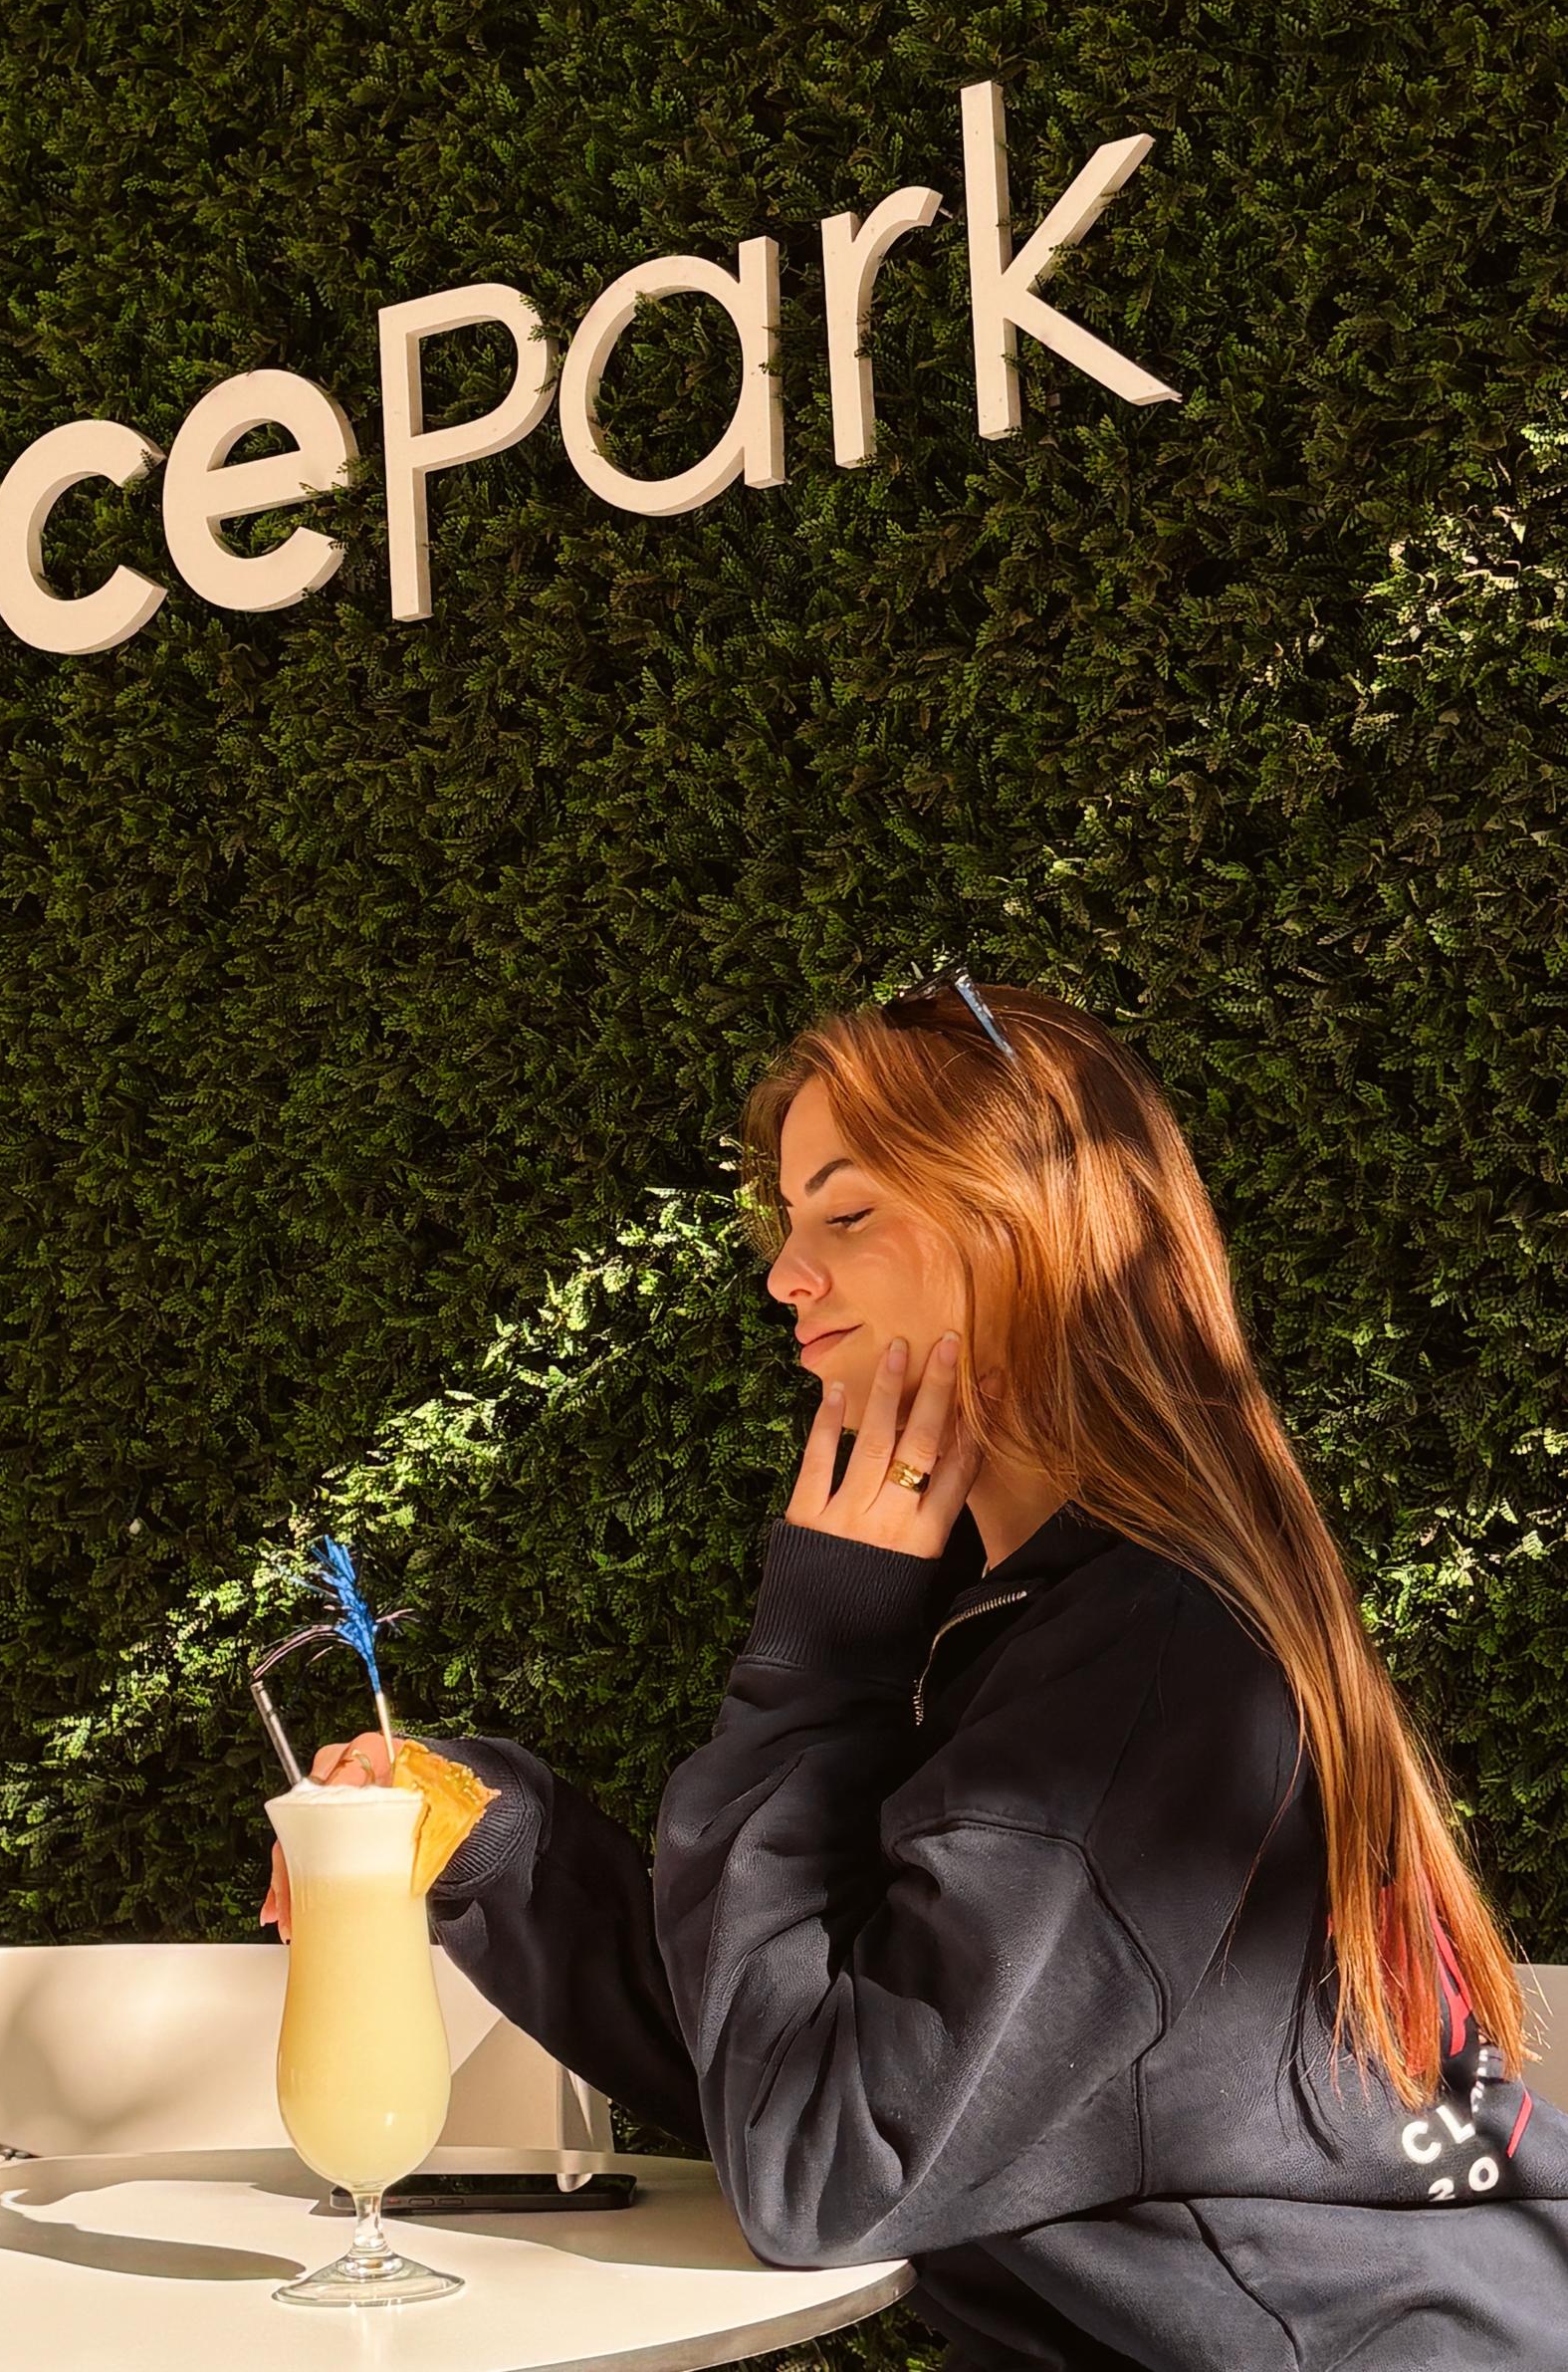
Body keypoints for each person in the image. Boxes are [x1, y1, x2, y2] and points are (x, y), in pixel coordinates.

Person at [263, 979, 1568, 2367]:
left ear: (1023, 1234)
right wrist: (500, 1842)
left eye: (846, 1215)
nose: (784, 1276)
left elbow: (820, 2172)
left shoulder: (1140, 1665)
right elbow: (808, 2084)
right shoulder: (1052, 1620)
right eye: (786, 1222)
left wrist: (818, 1661)